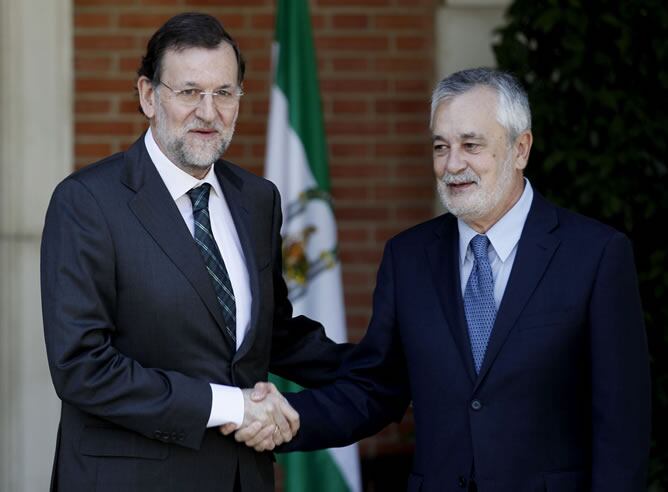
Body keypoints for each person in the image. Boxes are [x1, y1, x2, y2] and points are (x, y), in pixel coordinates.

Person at [235, 68, 652, 491]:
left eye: (471, 145)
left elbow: (622, 425)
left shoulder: (595, 256)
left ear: (520, 148)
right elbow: (376, 389)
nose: (453, 165)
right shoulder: (408, 257)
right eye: (441, 146)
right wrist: (286, 419)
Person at [40, 12, 351, 492]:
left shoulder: (257, 199)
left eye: (224, 93)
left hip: (241, 477)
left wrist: (389, 366)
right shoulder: (87, 202)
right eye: (189, 92)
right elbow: (82, 367)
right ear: (148, 96)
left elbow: (273, 336)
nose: (209, 112)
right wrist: (231, 405)